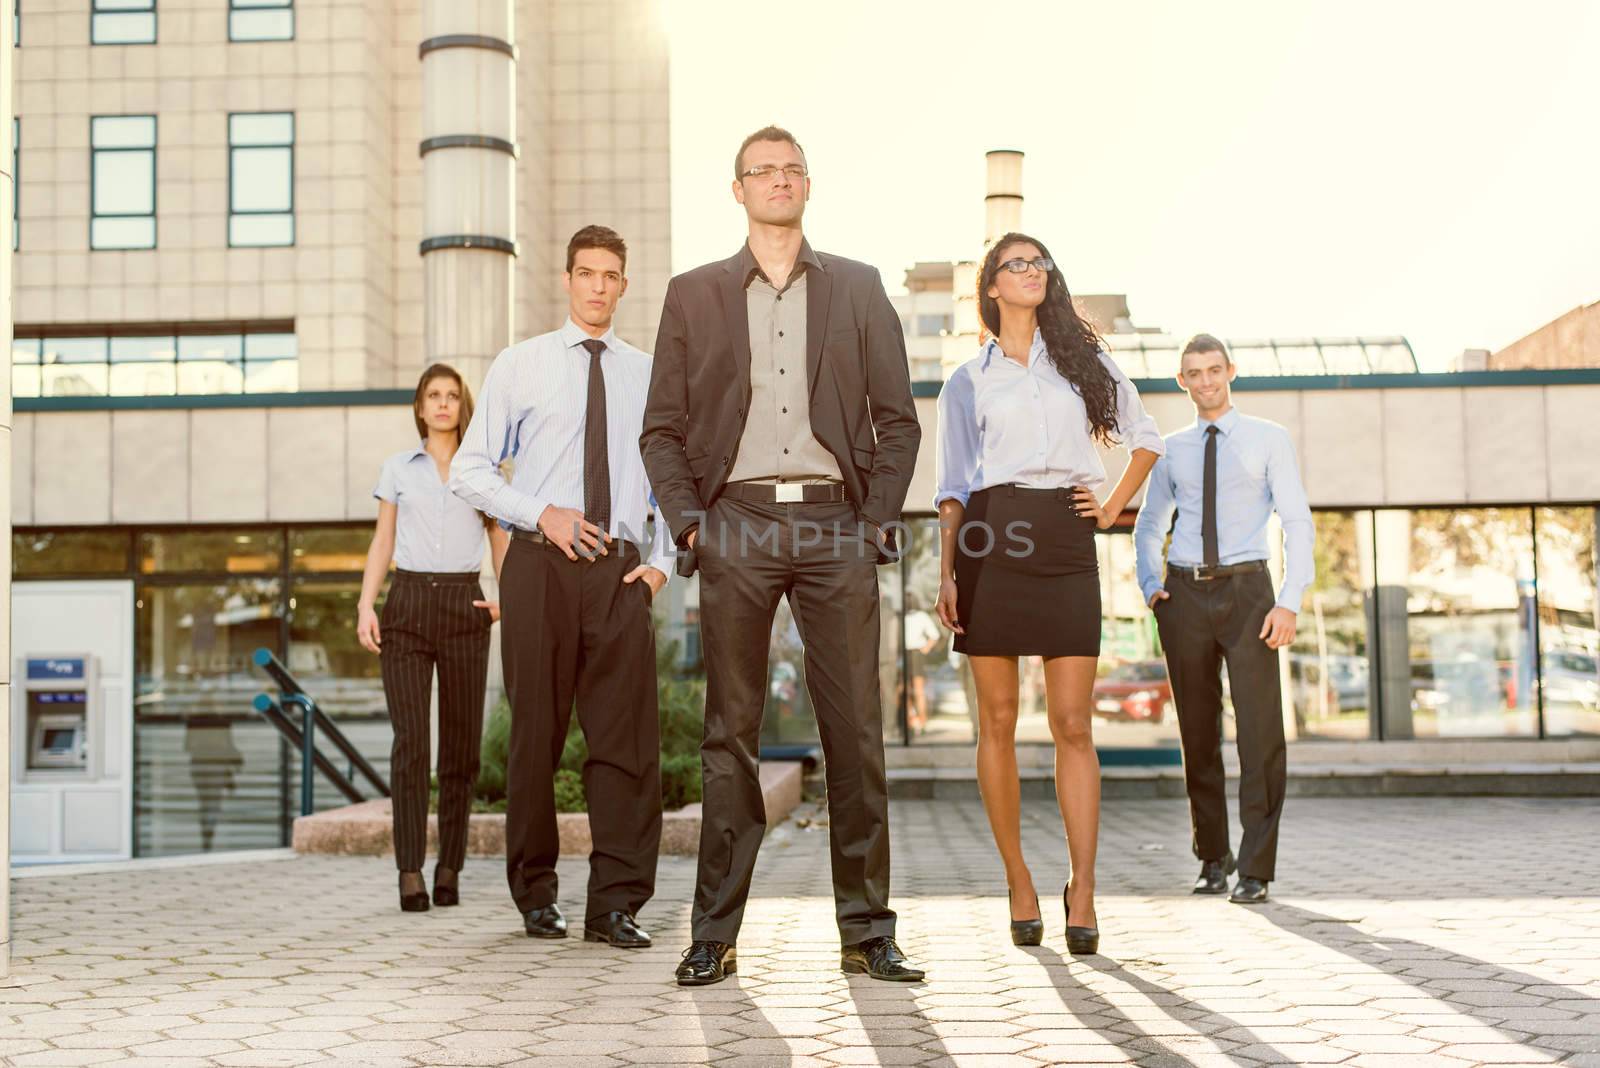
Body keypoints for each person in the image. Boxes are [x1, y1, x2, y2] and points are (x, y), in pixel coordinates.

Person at [641, 125, 924, 986]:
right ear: (738, 190)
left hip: (836, 523)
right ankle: (713, 935)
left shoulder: (860, 288)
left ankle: (868, 931)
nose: (778, 181)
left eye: (791, 169)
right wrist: (693, 524)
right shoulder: (692, 295)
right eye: (762, 171)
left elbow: (898, 420)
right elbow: (662, 429)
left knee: (856, 734)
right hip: (738, 522)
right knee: (730, 737)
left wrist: (875, 520)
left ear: (809, 185)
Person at [933, 233, 1164, 956]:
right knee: (996, 721)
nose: (1033, 273)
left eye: (1041, 264)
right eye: (1018, 265)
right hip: (990, 537)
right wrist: (945, 571)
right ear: (992, 287)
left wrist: (1108, 506)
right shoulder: (967, 379)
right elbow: (952, 488)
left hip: (1064, 540)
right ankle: (1019, 883)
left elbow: (1146, 437)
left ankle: (1084, 889)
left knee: (1072, 723)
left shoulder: (1084, 363)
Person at [450, 225, 669, 949]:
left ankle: (615, 904)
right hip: (540, 564)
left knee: (626, 744)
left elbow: (676, 476)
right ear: (567, 279)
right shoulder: (522, 365)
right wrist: (539, 511)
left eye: (612, 275)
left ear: (624, 285)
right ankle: (536, 895)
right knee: (534, 739)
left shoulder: (649, 371)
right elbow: (470, 470)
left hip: (619, 572)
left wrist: (660, 563)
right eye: (587, 273)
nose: (599, 287)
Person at [1132, 333, 1312, 905]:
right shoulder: (1172, 448)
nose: (1206, 381)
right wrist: (1151, 585)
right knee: (1198, 733)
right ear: (1182, 381)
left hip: (1250, 593)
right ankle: (1213, 858)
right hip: (1183, 594)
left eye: (1214, 369)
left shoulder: (1268, 439)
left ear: (1230, 371)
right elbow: (1149, 522)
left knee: (1260, 733)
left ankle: (1256, 867)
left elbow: (1298, 521)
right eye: (1194, 373)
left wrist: (1289, 600)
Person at [357, 364, 508, 912]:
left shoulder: (483, 471)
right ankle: (409, 871)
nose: (442, 404)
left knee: (461, 750)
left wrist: (506, 598)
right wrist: (364, 605)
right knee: (411, 745)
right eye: (432, 396)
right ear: (420, 408)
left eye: (451, 396)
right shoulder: (398, 468)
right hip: (408, 604)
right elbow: (382, 542)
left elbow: (500, 538)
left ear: (461, 405)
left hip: (466, 606)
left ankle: (450, 868)